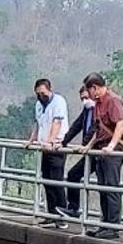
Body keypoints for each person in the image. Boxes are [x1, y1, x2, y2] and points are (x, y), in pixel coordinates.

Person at [81, 72, 123, 239]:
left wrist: (111, 145)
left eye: (90, 91)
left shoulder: (112, 100)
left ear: (95, 88)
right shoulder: (98, 104)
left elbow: (120, 124)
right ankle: (105, 224)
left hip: (113, 150)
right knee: (103, 187)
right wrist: (88, 146)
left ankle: (113, 226)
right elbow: (98, 128)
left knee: (111, 186)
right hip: (101, 149)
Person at [23, 78, 69, 226]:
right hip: (44, 147)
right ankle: (51, 214)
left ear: (49, 90)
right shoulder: (38, 104)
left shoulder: (58, 101)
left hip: (55, 147)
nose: (41, 96)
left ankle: (62, 216)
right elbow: (38, 123)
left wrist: (50, 141)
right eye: (38, 93)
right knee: (47, 181)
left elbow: (57, 122)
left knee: (56, 181)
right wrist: (31, 140)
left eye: (43, 93)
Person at [59, 83, 95, 218]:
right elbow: (76, 126)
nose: (85, 101)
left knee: (107, 186)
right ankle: (73, 208)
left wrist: (87, 144)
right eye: (82, 99)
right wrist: (63, 142)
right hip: (89, 152)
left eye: (87, 97)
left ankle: (110, 223)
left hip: (98, 151)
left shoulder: (101, 109)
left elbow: (96, 129)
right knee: (73, 175)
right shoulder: (87, 111)